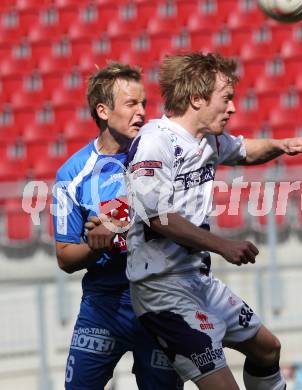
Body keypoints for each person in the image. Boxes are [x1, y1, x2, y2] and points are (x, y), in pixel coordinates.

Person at [124, 52, 302, 390]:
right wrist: (223, 246)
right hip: (163, 291)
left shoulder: (207, 139)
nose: (232, 108)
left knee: (268, 349)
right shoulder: (156, 143)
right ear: (196, 99)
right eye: (226, 99)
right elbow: (158, 218)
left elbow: (245, 151)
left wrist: (282, 145)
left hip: (199, 282)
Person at [53, 62, 183, 390]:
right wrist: (97, 244)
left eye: (144, 103)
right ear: (103, 111)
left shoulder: (161, 154)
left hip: (158, 298)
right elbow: (66, 257)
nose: (141, 112)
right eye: (131, 104)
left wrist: (115, 224)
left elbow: (173, 211)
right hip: (103, 305)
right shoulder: (72, 175)